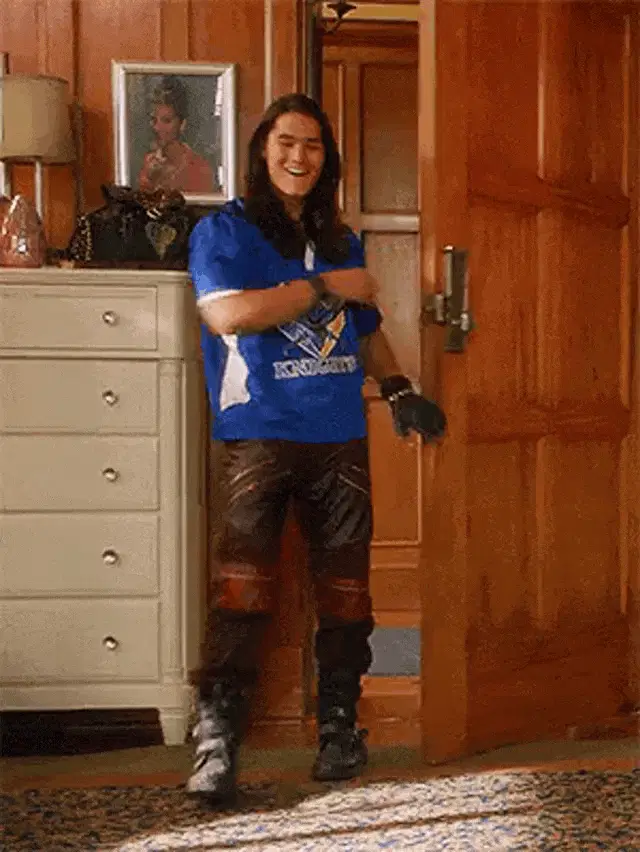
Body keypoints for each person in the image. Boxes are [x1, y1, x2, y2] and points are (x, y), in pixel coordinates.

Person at [186, 93, 446, 805]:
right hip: (258, 433)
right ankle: (217, 744)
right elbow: (228, 313)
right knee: (240, 592)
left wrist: (398, 388)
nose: (299, 156)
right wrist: (326, 286)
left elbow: (363, 331)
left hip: (339, 438)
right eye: (286, 142)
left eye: (313, 146)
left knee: (347, 592)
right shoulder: (224, 230)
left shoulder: (338, 238)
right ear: (262, 150)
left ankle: (339, 729)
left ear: (326, 159)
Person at [137, 76, 216, 195]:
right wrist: (149, 179)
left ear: (182, 124)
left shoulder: (199, 167)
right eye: (154, 120)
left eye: (166, 121)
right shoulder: (148, 163)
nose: (157, 127)